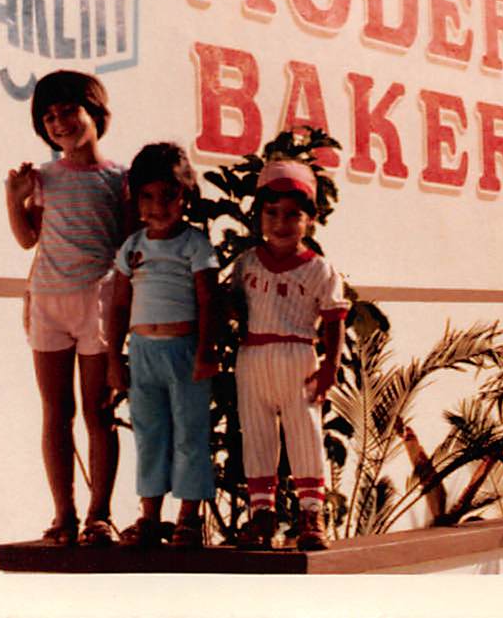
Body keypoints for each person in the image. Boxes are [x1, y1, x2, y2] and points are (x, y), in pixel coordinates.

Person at [5, 70, 126, 547]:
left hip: (98, 303)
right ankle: (63, 513)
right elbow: (26, 238)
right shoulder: (44, 178)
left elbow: (129, 247)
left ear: (94, 111)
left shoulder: (119, 179)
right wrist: (14, 200)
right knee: (56, 411)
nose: (59, 124)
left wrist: (124, 320)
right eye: (49, 117)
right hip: (49, 303)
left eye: (68, 111)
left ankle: (99, 514)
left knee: (100, 413)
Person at [106, 143, 220, 549]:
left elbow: (209, 299)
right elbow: (118, 304)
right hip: (142, 352)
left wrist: (207, 351)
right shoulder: (132, 247)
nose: (158, 206)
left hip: (185, 350)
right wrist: (113, 359)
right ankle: (150, 516)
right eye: (148, 197)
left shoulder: (194, 245)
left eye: (169, 195)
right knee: (149, 433)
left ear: (185, 196)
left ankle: (189, 517)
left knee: (190, 432)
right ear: (136, 200)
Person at [230, 160, 347, 552]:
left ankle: (310, 514)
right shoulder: (246, 263)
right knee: (257, 434)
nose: (281, 223)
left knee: (305, 435)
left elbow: (333, 319)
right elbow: (232, 306)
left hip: (299, 356)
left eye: (293, 214)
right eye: (272, 213)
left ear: (310, 219)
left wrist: (330, 366)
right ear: (259, 213)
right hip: (253, 356)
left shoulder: (319, 269)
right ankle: (262, 514)